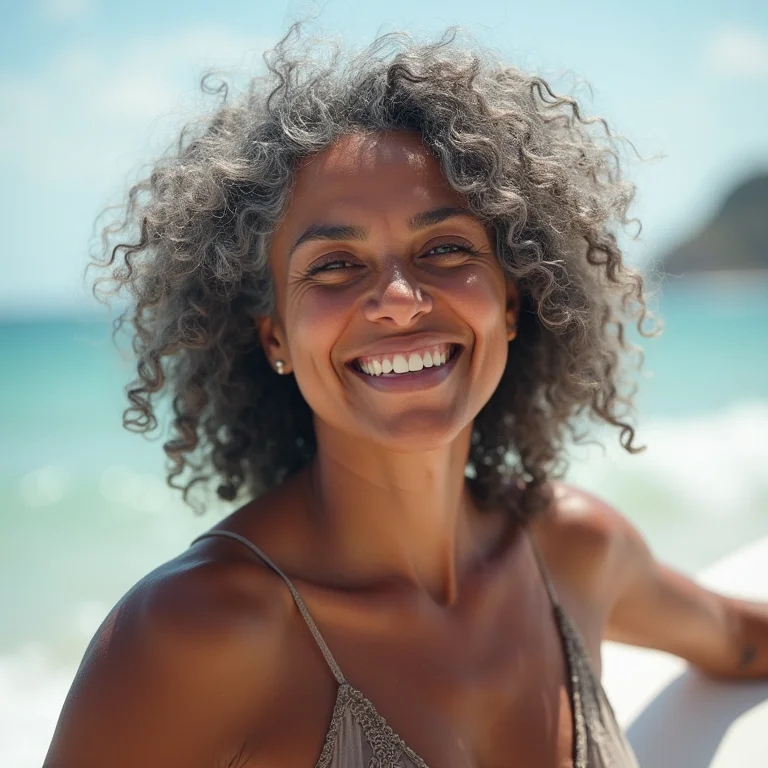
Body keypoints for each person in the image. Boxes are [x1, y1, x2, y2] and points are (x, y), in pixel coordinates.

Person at [45, 25, 768, 768]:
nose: (397, 299)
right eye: (333, 264)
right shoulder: (189, 637)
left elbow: (743, 639)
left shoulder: (575, 551)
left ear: (513, 301)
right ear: (275, 341)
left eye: (445, 249)